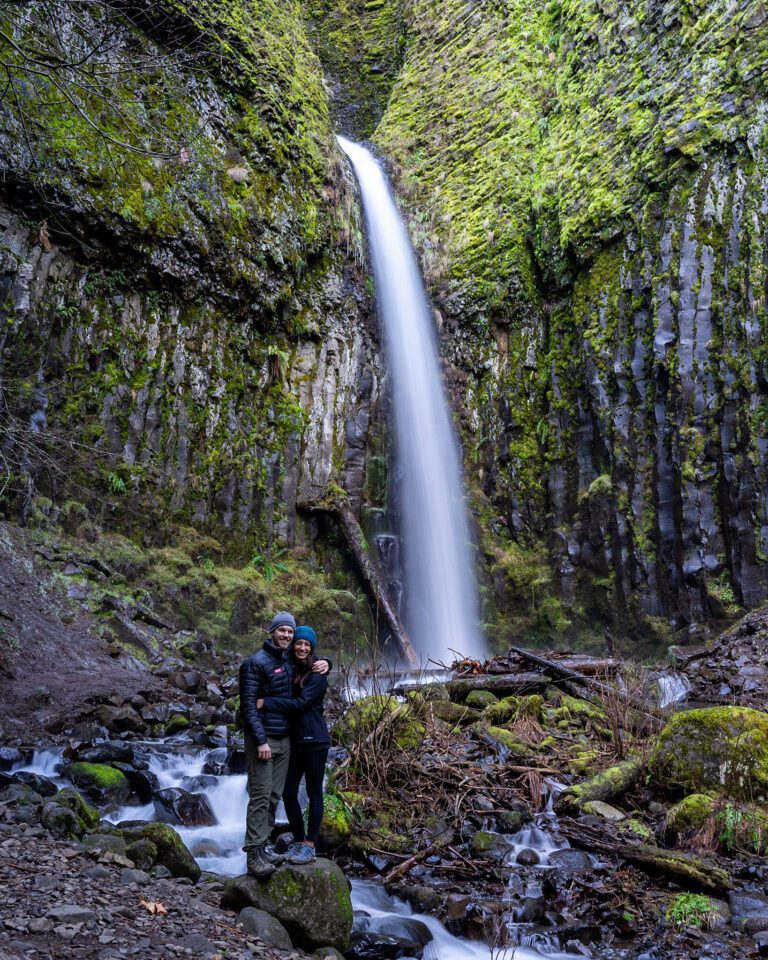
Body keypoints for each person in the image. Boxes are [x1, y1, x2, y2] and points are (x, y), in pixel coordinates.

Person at [239, 612, 328, 878]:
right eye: (283, 631)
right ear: (272, 631)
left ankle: (269, 845)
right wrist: (260, 740)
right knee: (261, 795)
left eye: (291, 632)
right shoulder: (255, 663)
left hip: (291, 740)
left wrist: (327, 663)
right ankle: (254, 852)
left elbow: (309, 664)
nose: (288, 637)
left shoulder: (290, 661)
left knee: (276, 795)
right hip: (265, 739)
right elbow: (248, 707)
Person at [258, 625, 330, 865]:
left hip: (316, 741)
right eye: (298, 643)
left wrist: (266, 702)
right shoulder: (291, 668)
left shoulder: (318, 675)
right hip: (295, 741)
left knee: (314, 793)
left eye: (306, 645)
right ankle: (298, 840)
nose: (301, 647)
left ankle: (310, 844)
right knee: (288, 792)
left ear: (312, 648)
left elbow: (300, 705)